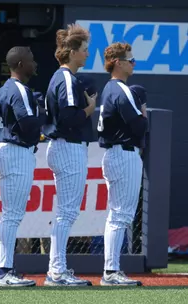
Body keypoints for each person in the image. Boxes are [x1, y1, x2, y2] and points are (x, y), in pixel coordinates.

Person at [42, 23, 96, 286]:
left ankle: (57, 268)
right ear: (73, 51)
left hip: (63, 146)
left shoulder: (62, 77)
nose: (87, 53)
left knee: (66, 212)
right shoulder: (65, 78)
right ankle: (57, 270)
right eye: (84, 49)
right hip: (67, 146)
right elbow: (68, 118)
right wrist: (90, 108)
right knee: (66, 213)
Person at [0, 46, 45, 287]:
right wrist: (43, 113)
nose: (35, 63)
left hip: (8, 148)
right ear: (21, 64)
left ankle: (6, 268)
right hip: (15, 150)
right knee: (12, 215)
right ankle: (5, 271)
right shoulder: (19, 89)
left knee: (10, 214)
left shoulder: (6, 88)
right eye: (32, 59)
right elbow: (28, 125)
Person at [97, 42, 146, 286]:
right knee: (120, 216)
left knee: (116, 215)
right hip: (123, 153)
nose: (133, 63)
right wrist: (143, 109)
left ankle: (111, 269)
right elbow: (140, 125)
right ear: (118, 62)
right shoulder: (121, 89)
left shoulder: (108, 88)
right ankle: (111, 271)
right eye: (130, 59)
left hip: (114, 153)